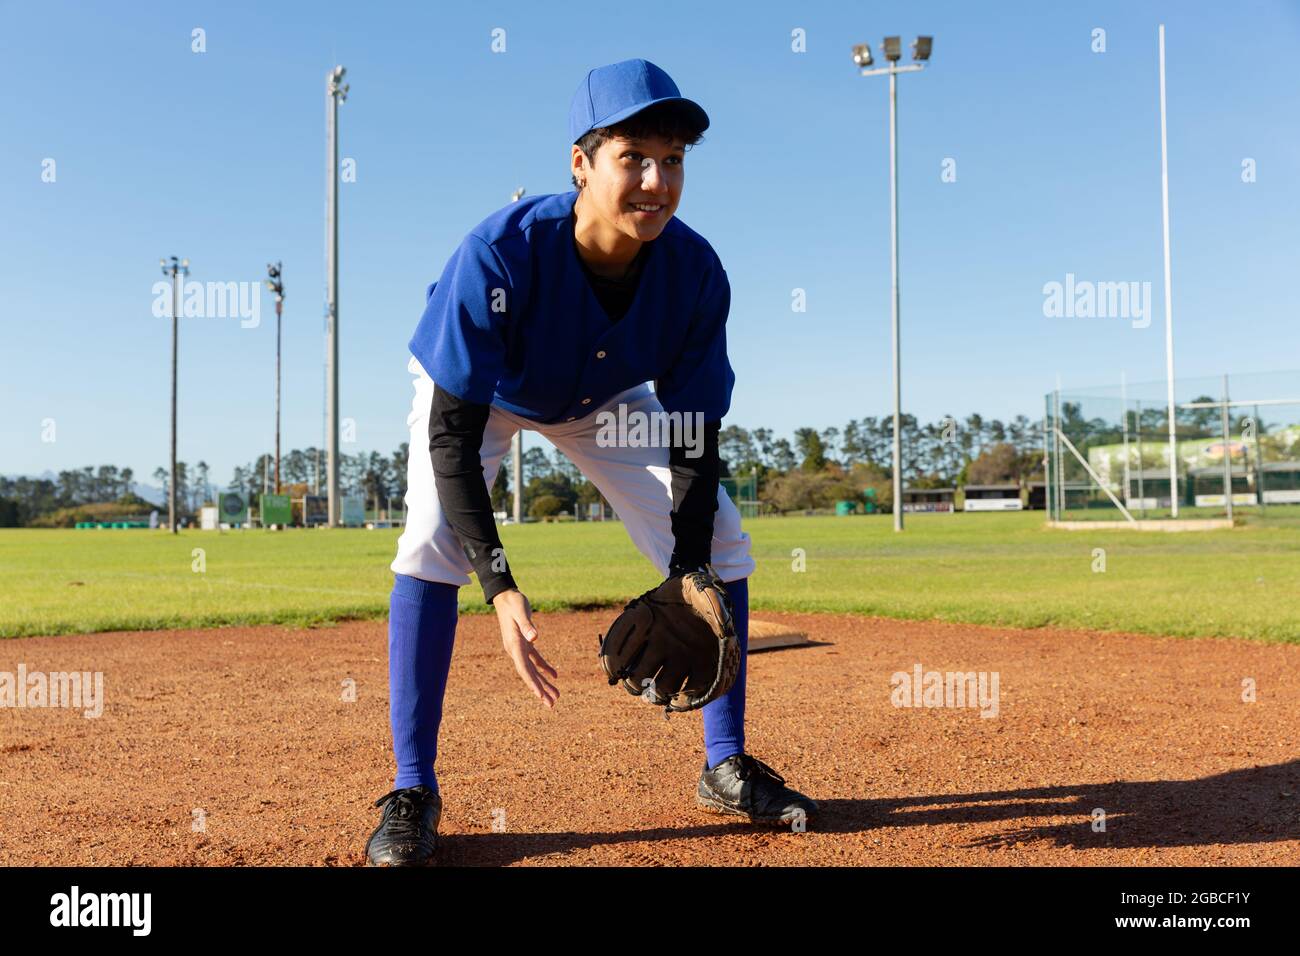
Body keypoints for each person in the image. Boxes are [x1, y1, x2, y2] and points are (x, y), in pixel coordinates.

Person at [365, 58, 817, 866]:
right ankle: (412, 789)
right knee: (433, 536)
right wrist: (499, 587)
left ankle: (725, 764)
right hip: (483, 393)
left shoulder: (694, 270)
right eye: (633, 157)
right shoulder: (499, 255)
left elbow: (693, 431)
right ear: (582, 164)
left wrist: (688, 569)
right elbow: (452, 439)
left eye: (673, 159)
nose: (656, 180)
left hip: (601, 398)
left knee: (719, 540)